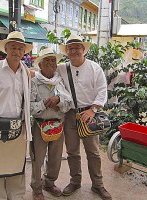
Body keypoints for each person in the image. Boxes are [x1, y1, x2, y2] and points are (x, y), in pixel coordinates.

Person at [0, 31, 33, 200]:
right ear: (6, 49)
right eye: (13, 48)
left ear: (24, 52)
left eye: (20, 48)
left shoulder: (26, 72)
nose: (16, 51)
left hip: (19, 125)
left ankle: (16, 196)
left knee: (17, 165)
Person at [57, 34, 112, 200]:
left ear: (83, 50)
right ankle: (75, 181)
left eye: (77, 48)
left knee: (93, 152)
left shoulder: (94, 68)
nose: (74, 51)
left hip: (90, 114)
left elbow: (102, 90)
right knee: (72, 151)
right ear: (67, 51)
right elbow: (44, 71)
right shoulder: (62, 68)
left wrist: (93, 109)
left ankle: (98, 185)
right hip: (70, 114)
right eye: (71, 48)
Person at [30, 48, 72, 200]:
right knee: (38, 158)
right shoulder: (34, 82)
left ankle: (49, 182)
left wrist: (59, 100)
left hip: (58, 125)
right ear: (40, 64)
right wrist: (45, 103)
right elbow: (29, 107)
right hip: (40, 125)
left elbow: (68, 104)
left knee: (55, 158)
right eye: (46, 60)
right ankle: (36, 187)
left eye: (53, 60)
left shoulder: (60, 81)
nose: (50, 63)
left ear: (56, 64)